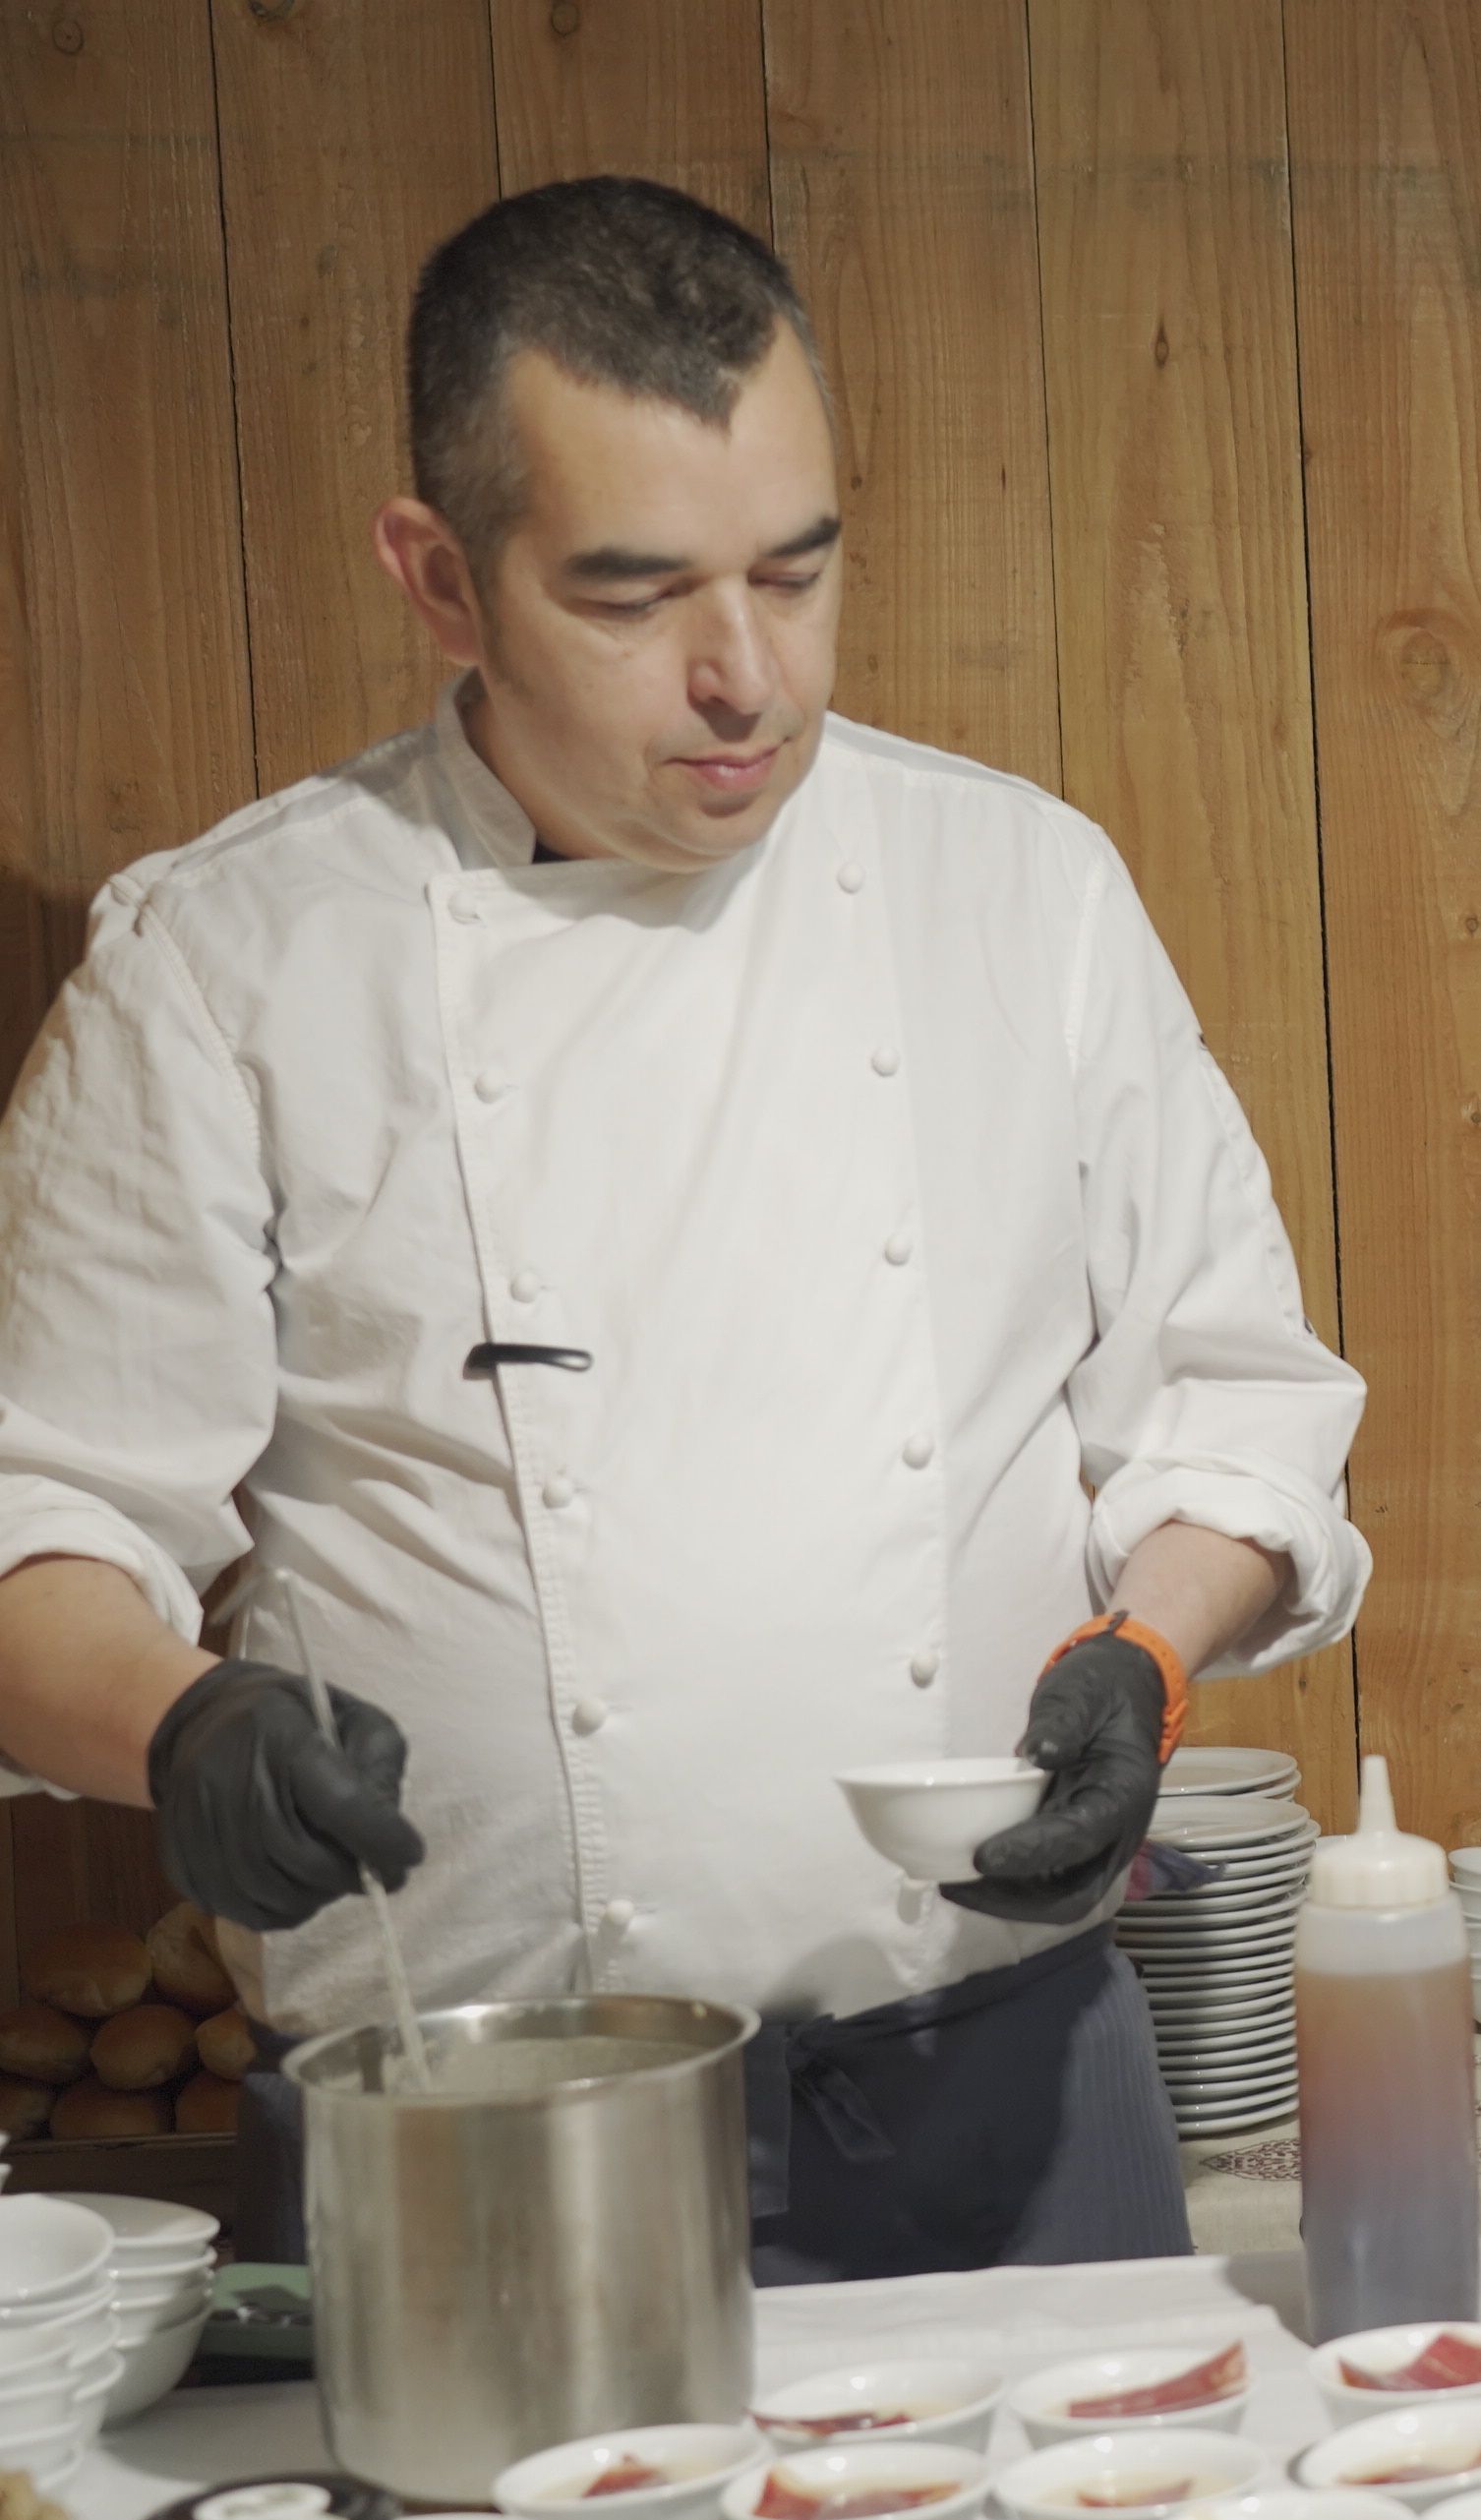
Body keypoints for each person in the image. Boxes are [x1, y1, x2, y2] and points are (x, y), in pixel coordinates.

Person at [0, 178, 1370, 2281]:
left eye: (797, 573)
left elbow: (1233, 1400)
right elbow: (41, 1525)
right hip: (473, 2140)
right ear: (440, 578)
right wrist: (177, 1729)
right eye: (635, 597)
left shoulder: (1018, 893)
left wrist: (1149, 1649)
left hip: (1003, 2099)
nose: (745, 675)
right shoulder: (234, 965)